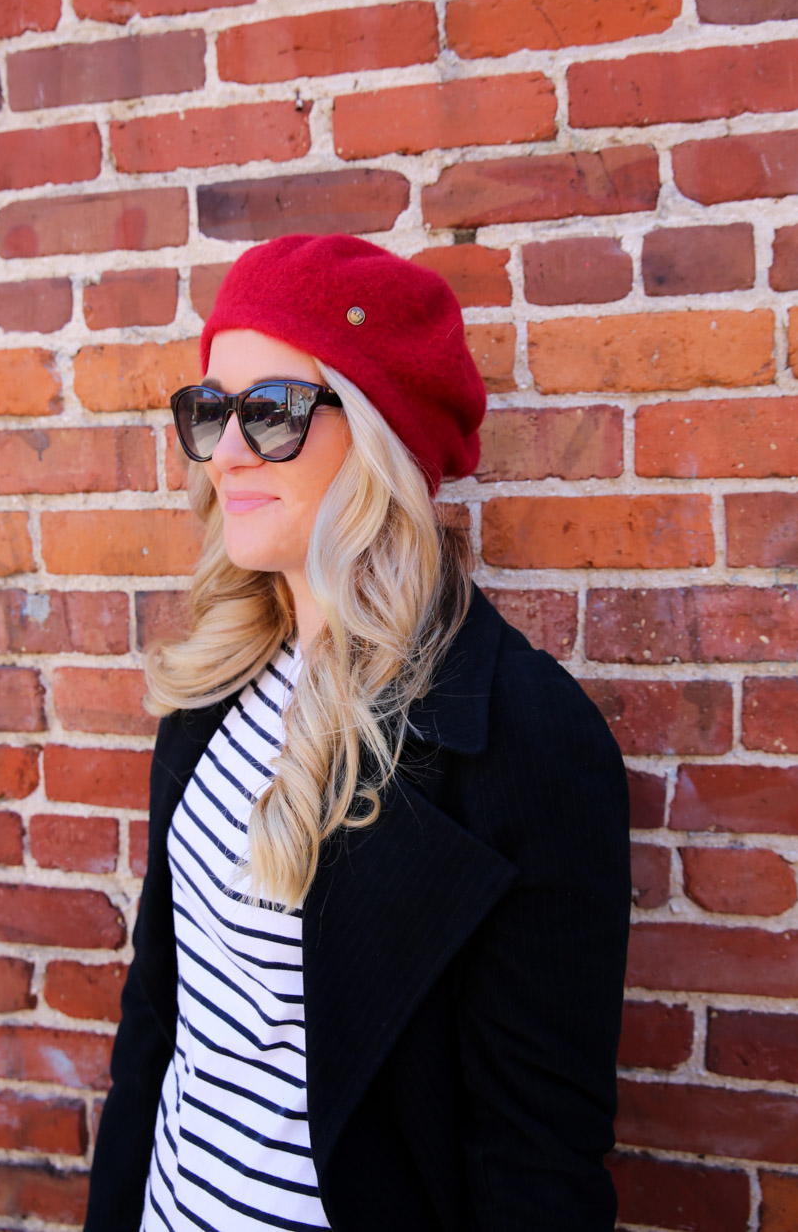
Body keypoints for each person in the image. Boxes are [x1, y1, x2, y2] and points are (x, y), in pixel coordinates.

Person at [83, 233, 631, 1232]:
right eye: (210, 411)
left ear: (380, 436)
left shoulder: (524, 741)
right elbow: (159, 1025)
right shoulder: (220, 683)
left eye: (275, 412)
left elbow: (532, 1160)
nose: (230, 452)